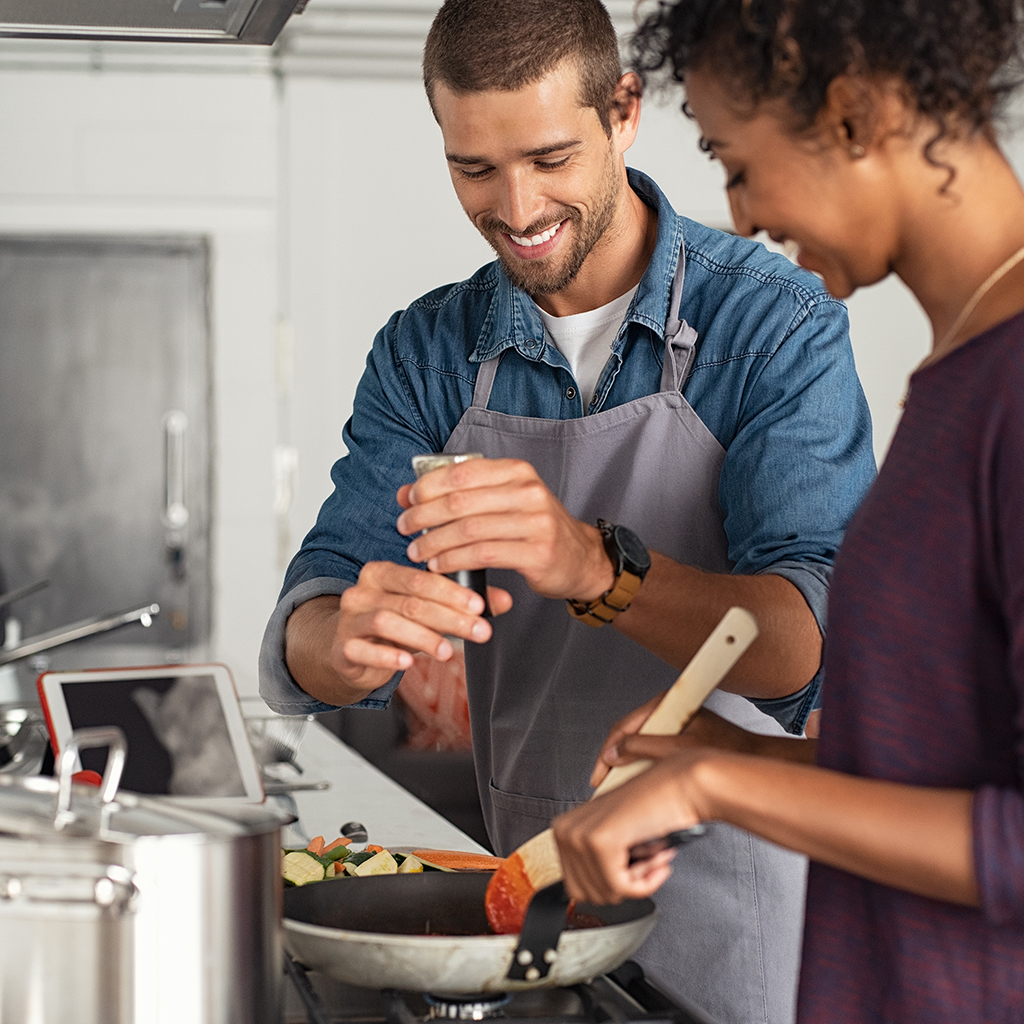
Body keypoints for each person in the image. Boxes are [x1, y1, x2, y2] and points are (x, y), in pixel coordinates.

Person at [259, 1, 875, 1020]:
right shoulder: (425, 353)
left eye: (549, 157)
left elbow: (806, 643)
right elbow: (306, 629)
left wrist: (592, 565)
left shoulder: (773, 323)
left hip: (741, 912)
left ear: (623, 111)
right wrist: (348, 638)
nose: (516, 206)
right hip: (533, 900)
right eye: (474, 169)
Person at [550, 1, 1024, 1021]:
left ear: (850, 117)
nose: (741, 210)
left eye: (735, 159)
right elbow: (951, 760)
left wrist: (717, 790)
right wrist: (737, 753)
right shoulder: (959, 374)